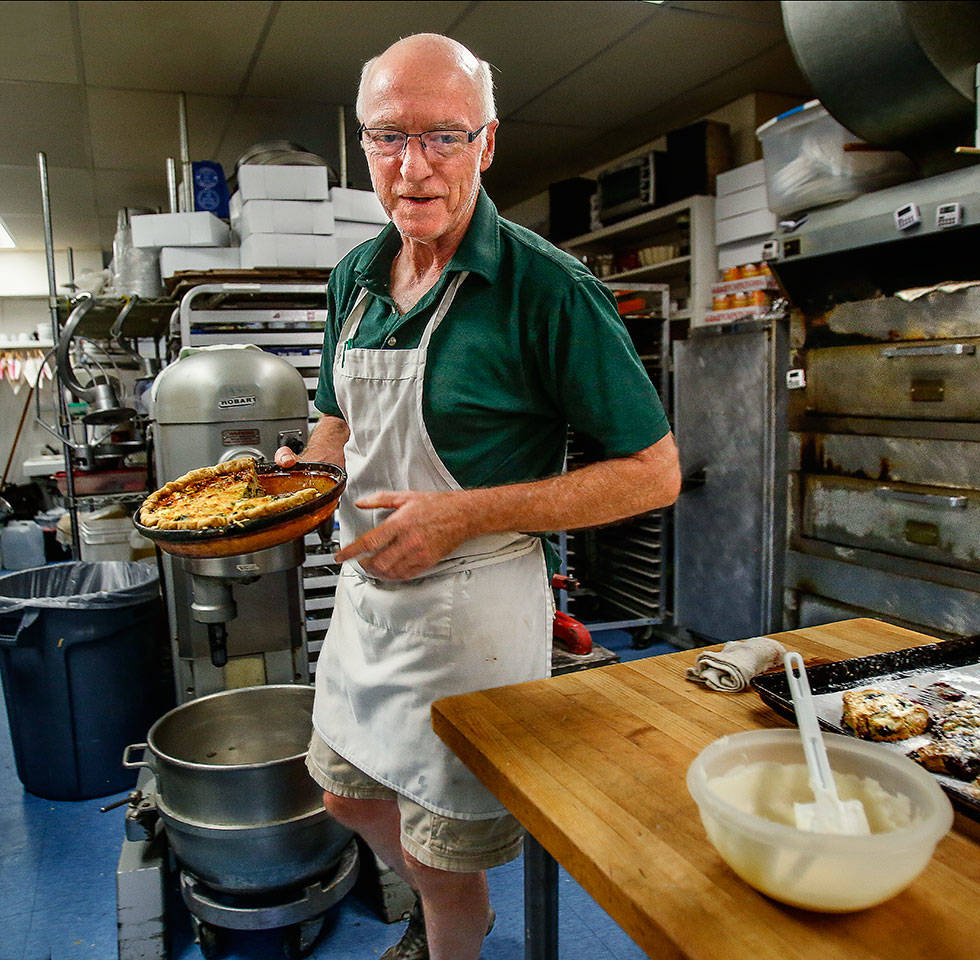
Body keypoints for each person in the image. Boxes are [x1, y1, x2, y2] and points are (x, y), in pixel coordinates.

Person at [274, 32, 681, 960]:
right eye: (388, 138)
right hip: (369, 601)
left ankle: (455, 930)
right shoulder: (356, 277)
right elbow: (339, 420)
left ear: (486, 144)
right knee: (343, 792)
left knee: (444, 852)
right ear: (363, 146)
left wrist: (465, 513)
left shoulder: (549, 290)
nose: (413, 168)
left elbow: (653, 472)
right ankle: (440, 906)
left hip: (474, 614)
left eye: (443, 137)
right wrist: (298, 485)